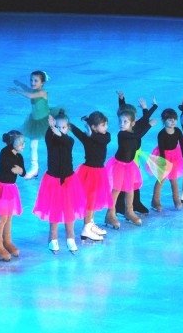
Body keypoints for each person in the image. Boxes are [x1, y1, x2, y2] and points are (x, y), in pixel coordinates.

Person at [33, 111, 86, 253]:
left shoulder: (69, 141)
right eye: (57, 127)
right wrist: (51, 128)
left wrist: (56, 131)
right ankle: (53, 238)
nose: (60, 129)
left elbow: (65, 141)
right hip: (53, 181)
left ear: (67, 128)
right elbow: (50, 136)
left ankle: (70, 238)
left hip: (69, 180)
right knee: (54, 209)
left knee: (69, 209)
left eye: (63, 127)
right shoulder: (50, 138)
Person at [105, 102, 156, 229]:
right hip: (119, 165)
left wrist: (150, 108)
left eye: (125, 122)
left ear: (132, 123)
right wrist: (149, 125)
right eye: (120, 121)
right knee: (116, 190)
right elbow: (137, 135)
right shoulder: (122, 134)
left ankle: (129, 211)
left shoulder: (133, 130)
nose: (122, 124)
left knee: (130, 189)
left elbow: (143, 121)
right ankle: (110, 214)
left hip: (129, 165)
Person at [70, 111, 112, 242]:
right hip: (89, 173)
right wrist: (69, 125)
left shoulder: (105, 137)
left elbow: (103, 139)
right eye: (103, 125)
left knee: (94, 200)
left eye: (106, 125)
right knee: (90, 200)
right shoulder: (87, 137)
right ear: (94, 127)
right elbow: (77, 132)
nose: (106, 128)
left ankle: (90, 223)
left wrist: (91, 134)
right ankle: (86, 228)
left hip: (99, 172)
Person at [0, 130, 26, 261]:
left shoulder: (19, 157)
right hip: (1, 189)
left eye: (23, 142)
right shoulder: (5, 152)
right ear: (12, 143)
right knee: (3, 218)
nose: (23, 145)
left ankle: (7, 241)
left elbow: (23, 172)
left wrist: (21, 170)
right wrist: (16, 169)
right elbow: (7, 164)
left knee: (9, 218)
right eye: (20, 142)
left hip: (11, 189)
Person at [115, 91, 157, 215]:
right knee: (125, 182)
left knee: (135, 181)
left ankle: (136, 203)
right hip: (127, 159)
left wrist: (149, 107)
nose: (137, 117)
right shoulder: (126, 130)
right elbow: (139, 133)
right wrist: (149, 124)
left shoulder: (136, 124)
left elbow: (145, 118)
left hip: (135, 157)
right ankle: (120, 205)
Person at [149, 109, 183, 211]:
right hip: (163, 156)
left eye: (174, 119)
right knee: (161, 179)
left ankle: (176, 200)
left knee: (174, 179)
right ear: (164, 121)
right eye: (170, 120)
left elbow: (182, 144)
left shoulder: (177, 131)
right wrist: (164, 163)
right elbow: (161, 149)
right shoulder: (161, 134)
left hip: (175, 156)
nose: (173, 122)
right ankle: (155, 201)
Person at [9, 70, 50, 179]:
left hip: (46, 122)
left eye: (36, 81)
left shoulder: (43, 92)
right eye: (31, 80)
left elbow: (31, 95)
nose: (32, 82)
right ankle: (34, 167)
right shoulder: (34, 90)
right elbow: (27, 89)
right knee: (33, 145)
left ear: (42, 83)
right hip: (35, 122)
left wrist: (17, 91)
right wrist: (20, 84)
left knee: (52, 143)